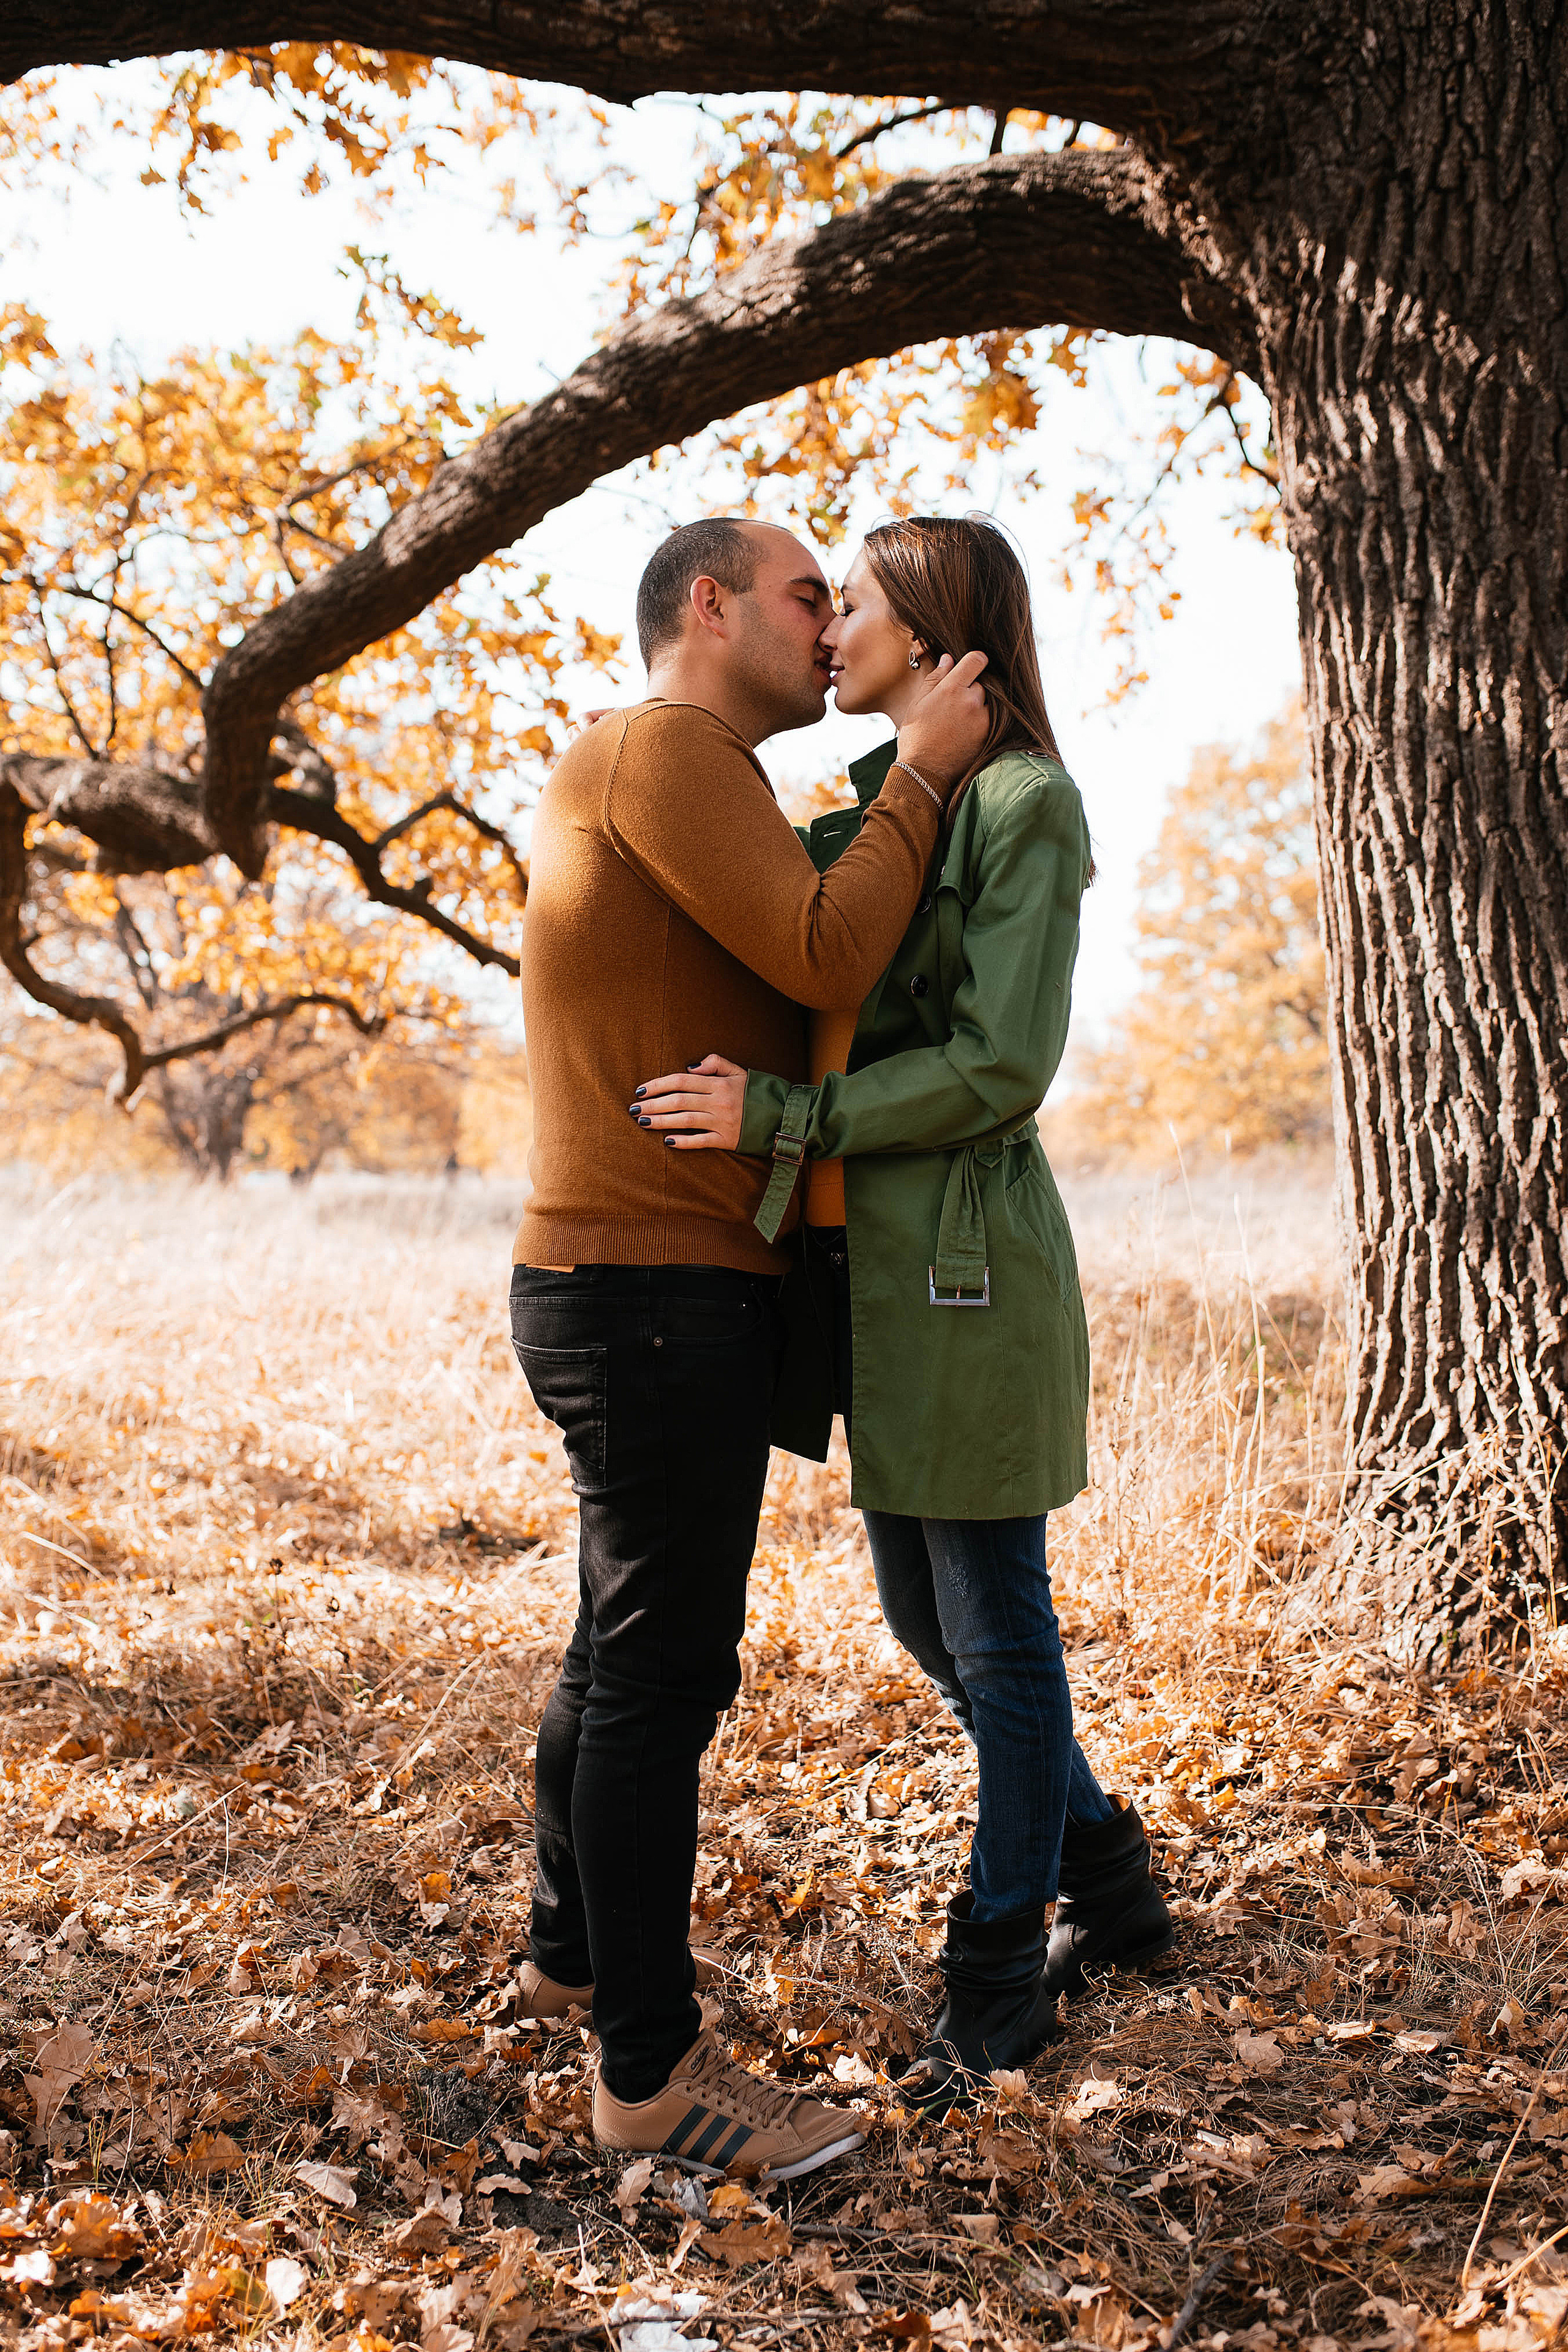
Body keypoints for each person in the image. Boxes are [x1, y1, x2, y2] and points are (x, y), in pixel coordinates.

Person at [630, 516, 1173, 2109]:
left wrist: (788, 1126)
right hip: (868, 1286)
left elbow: (1003, 1066)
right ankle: (1117, 1876)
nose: (829, 629)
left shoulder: (1025, 805)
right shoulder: (878, 803)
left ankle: (1001, 1975)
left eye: (851, 604)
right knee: (933, 1624)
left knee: (997, 1636)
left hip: (970, 1278)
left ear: (934, 634)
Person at [510, 514, 990, 2177]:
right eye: (806, 594)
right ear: (708, 607)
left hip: (627, 1280)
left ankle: (575, 1949)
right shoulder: (674, 748)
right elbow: (826, 948)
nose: (832, 620)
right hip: (653, 1288)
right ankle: (650, 2076)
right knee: (659, 1672)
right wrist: (924, 770)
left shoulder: (668, 773)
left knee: (617, 1652)